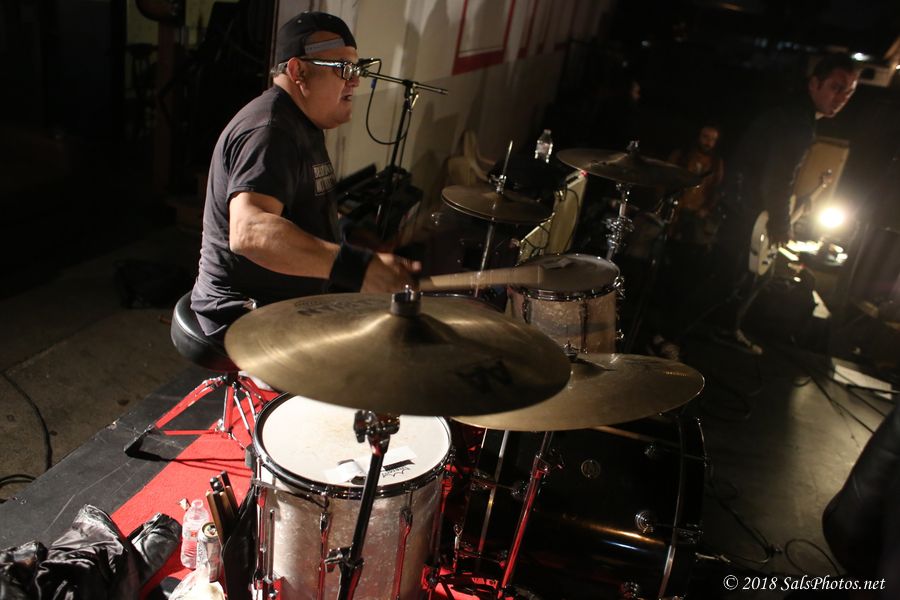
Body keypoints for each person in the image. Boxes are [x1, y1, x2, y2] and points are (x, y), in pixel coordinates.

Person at [190, 11, 419, 345]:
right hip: (242, 314)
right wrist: (355, 267)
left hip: (284, 302)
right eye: (343, 68)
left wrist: (356, 241)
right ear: (299, 71)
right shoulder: (270, 129)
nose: (355, 81)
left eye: (358, 68)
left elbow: (300, 211)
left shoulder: (300, 122)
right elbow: (250, 231)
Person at [701, 54, 859, 355]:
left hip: (743, 204)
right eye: (836, 88)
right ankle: (666, 338)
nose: (842, 98)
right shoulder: (797, 124)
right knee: (723, 278)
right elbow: (779, 179)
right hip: (746, 209)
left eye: (849, 92)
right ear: (814, 83)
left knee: (744, 277)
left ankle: (723, 328)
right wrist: (781, 224)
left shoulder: (792, 113)